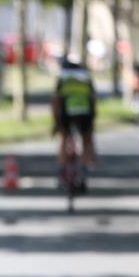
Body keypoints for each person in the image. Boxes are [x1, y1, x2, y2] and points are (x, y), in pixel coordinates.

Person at [52, 57, 97, 189]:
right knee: (86, 140)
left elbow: (56, 102)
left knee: (64, 138)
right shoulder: (86, 78)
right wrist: (92, 121)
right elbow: (93, 100)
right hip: (85, 113)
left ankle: (62, 172)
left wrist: (56, 123)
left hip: (67, 113)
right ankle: (83, 173)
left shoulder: (63, 79)